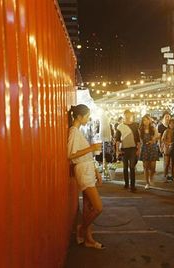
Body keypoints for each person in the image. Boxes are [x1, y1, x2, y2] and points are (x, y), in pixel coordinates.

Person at [67, 104, 105, 249]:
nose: (88, 119)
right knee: (98, 207)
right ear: (79, 117)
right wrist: (92, 148)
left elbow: (87, 155)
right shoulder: (73, 131)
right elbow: (70, 154)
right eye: (87, 116)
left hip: (88, 169)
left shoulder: (78, 131)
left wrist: (96, 172)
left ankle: (88, 239)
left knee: (89, 207)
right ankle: (82, 228)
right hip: (83, 171)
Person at [115, 110, 141, 192]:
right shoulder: (120, 127)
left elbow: (138, 138)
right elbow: (117, 140)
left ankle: (132, 186)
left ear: (131, 115)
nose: (127, 117)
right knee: (125, 167)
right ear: (123, 116)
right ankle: (126, 184)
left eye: (128, 115)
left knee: (132, 167)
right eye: (125, 115)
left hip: (133, 148)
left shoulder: (135, 125)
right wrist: (117, 150)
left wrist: (138, 149)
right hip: (124, 149)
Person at [139, 115, 159, 189]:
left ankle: (151, 178)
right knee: (146, 167)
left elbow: (157, 136)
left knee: (153, 167)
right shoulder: (141, 129)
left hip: (152, 148)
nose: (146, 121)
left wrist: (152, 141)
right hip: (144, 148)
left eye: (147, 120)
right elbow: (140, 139)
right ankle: (147, 182)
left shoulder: (153, 128)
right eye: (144, 120)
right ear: (142, 121)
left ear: (149, 120)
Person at [158, 111, 172, 180]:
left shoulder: (172, 125)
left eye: (169, 116)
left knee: (171, 161)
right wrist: (160, 146)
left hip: (171, 145)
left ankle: (171, 174)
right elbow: (159, 137)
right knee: (166, 161)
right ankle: (165, 174)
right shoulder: (161, 126)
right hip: (164, 145)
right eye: (166, 117)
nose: (167, 118)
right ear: (163, 118)